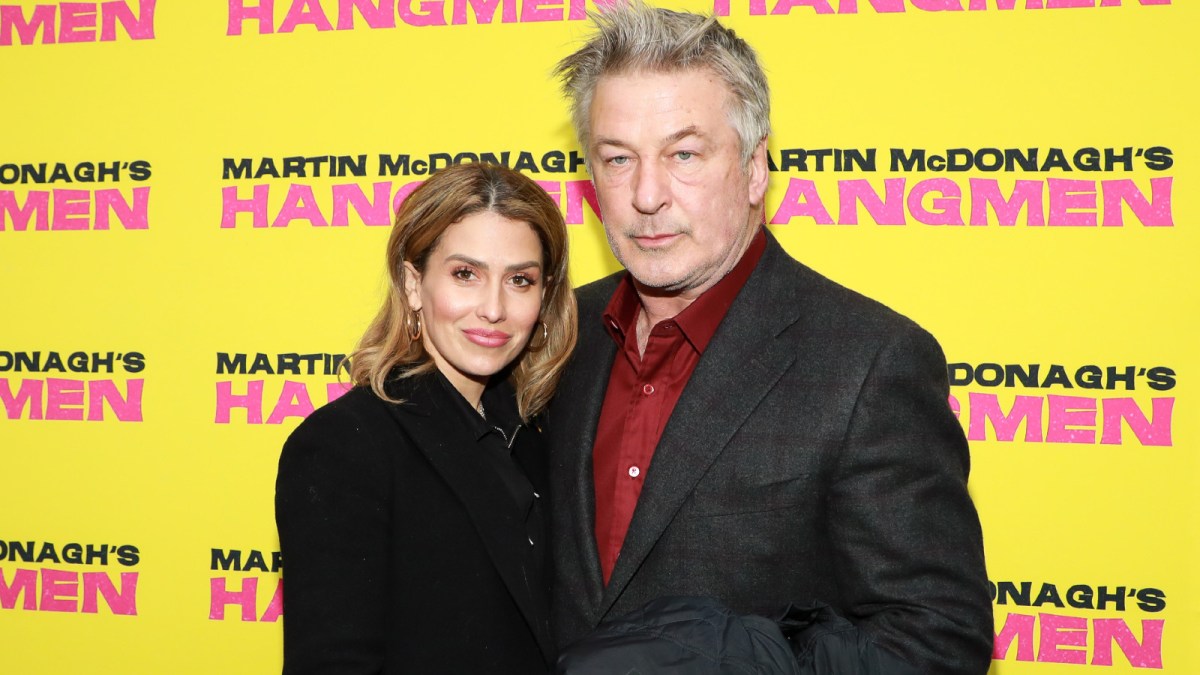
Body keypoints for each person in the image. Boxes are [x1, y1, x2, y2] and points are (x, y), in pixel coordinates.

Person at [546, 3, 993, 673]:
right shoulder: (554, 333)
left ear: (755, 169)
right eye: (617, 158)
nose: (645, 194)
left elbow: (937, 639)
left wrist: (726, 661)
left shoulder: (868, 362)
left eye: (684, 154)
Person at [275, 162, 577, 674]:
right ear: (413, 285)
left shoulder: (537, 435)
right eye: (465, 274)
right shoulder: (344, 446)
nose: (493, 308)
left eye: (519, 281)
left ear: (544, 297)